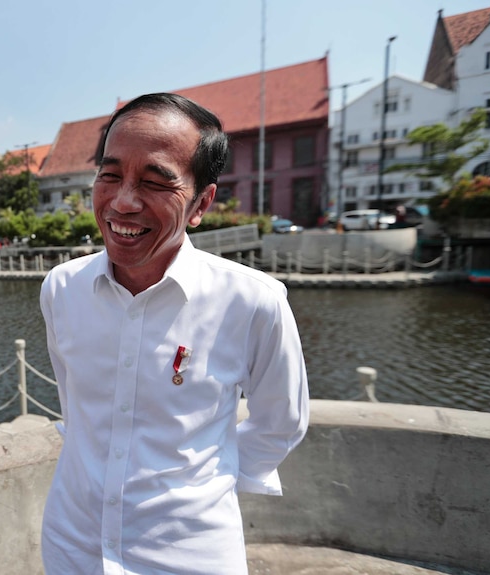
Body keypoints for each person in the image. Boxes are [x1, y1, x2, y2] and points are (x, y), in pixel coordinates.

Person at [39, 93, 309, 574]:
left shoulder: (253, 302)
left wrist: (199, 484)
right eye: (110, 174)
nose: (122, 201)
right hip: (72, 544)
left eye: (154, 182)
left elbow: (280, 423)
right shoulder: (62, 289)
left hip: (190, 555)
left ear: (202, 202)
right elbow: (74, 406)